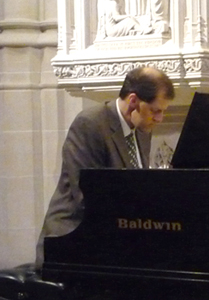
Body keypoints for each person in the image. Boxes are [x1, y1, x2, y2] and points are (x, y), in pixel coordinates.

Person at [35, 67, 175, 269]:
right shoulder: (90, 124)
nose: (160, 118)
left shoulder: (143, 127)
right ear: (134, 101)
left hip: (119, 233)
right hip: (73, 237)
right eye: (156, 110)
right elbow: (87, 197)